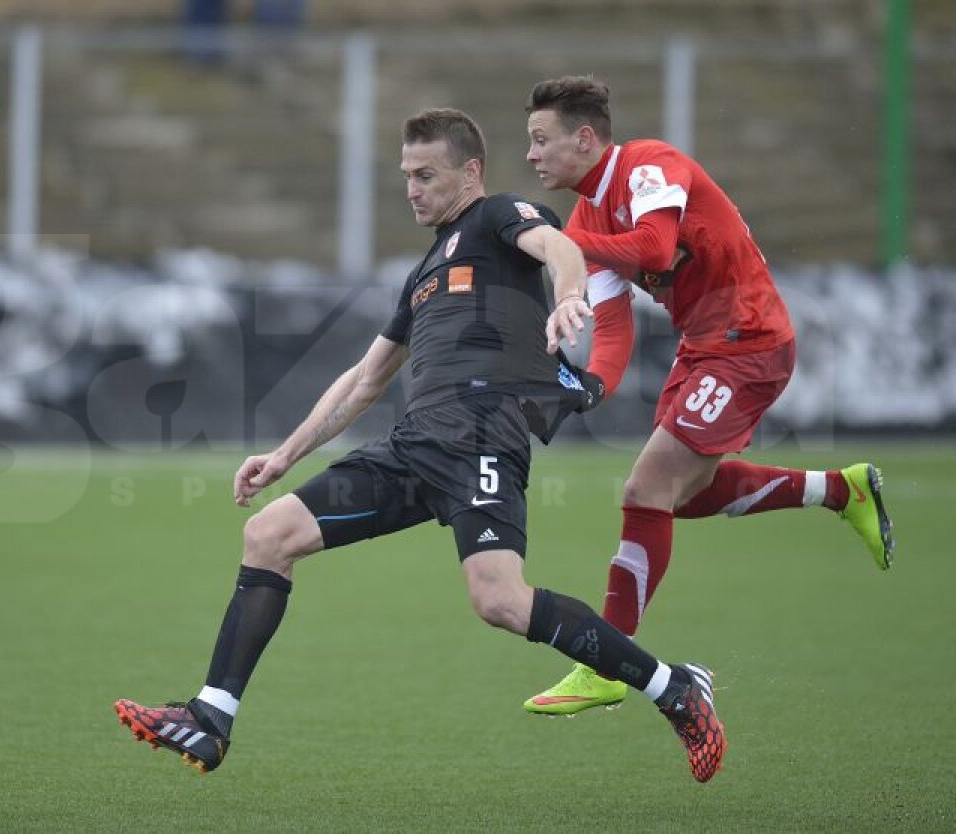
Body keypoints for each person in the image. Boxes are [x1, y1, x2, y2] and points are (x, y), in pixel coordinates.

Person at [115, 107, 727, 783]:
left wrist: (570, 296)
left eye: (425, 174)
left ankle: (672, 686)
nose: (411, 187)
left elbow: (558, 247)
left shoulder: (499, 216)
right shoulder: (426, 271)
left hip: (481, 436)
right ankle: (211, 716)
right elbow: (365, 378)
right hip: (414, 447)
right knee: (269, 534)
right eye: (406, 174)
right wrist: (284, 455)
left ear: (470, 170)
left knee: (498, 600)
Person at [520, 76, 895, 716]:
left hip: (750, 340)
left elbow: (656, 246)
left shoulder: (648, 165)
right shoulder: (586, 217)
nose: (531, 156)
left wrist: (565, 243)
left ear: (585, 139)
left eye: (540, 140)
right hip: (707, 347)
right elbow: (612, 329)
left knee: (645, 493)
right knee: (680, 499)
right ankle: (841, 489)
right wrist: (590, 388)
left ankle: (608, 662)